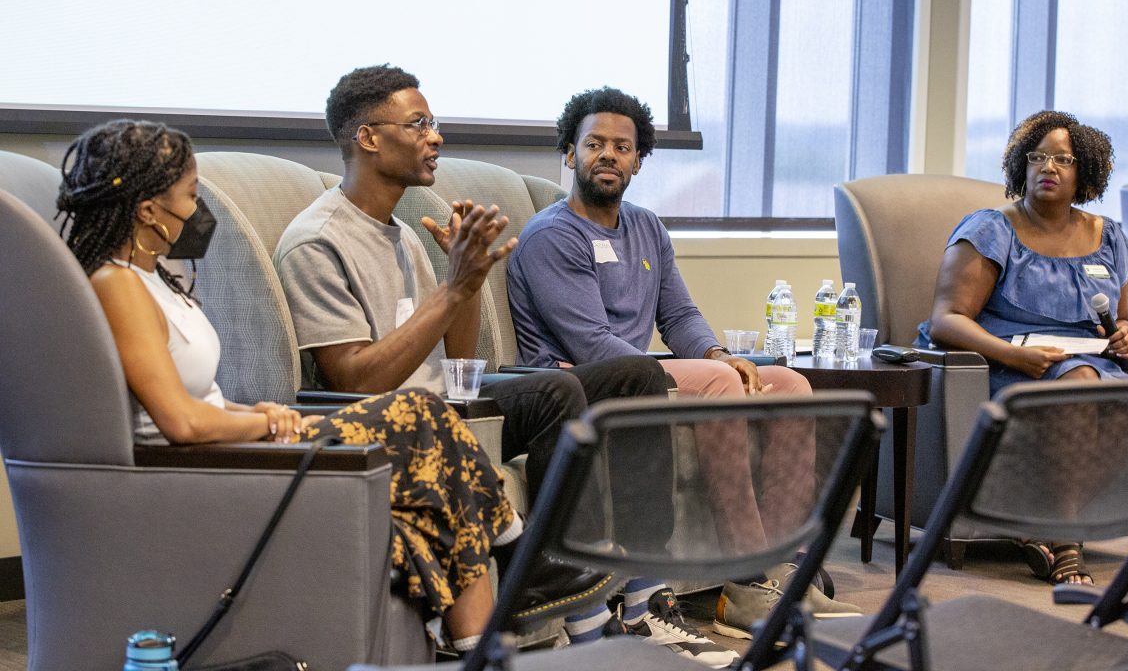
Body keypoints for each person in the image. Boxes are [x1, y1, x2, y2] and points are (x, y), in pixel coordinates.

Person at [56, 119, 543, 654]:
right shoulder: (118, 284)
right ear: (148, 210)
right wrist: (266, 421)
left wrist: (253, 408)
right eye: (191, 196)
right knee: (418, 414)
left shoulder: (153, 279)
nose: (199, 212)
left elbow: (197, 398)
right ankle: (517, 550)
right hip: (213, 464)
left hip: (237, 441)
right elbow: (180, 421)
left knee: (425, 467)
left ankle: (477, 643)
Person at [270, 65, 671, 621]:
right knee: (556, 391)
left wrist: (469, 281)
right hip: (395, 424)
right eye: (419, 124)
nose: (436, 137)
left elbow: (456, 362)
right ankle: (552, 581)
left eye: (433, 123)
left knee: (632, 377)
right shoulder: (316, 242)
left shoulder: (402, 233)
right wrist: (453, 285)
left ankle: (628, 578)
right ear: (368, 138)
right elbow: (355, 380)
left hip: (449, 405)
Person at [506, 87, 861, 653]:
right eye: (594, 143)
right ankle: (745, 584)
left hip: (641, 369)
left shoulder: (647, 228)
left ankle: (784, 570)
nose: (609, 155)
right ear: (569, 154)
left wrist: (719, 354)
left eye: (623, 147)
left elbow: (679, 315)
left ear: (639, 160)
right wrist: (707, 374)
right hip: (579, 379)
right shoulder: (554, 234)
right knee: (719, 385)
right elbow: (591, 343)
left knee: (790, 385)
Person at [920, 109, 1128, 586]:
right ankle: (1066, 543)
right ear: (1022, 165)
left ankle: (1032, 522)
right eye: (1038, 157)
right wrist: (1011, 354)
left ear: (1086, 172)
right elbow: (947, 320)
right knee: (1077, 386)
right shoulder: (991, 230)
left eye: (1064, 159)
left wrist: (1123, 333)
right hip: (1001, 363)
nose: (1049, 167)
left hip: (1085, 362)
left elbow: (1119, 320)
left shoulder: (1110, 237)